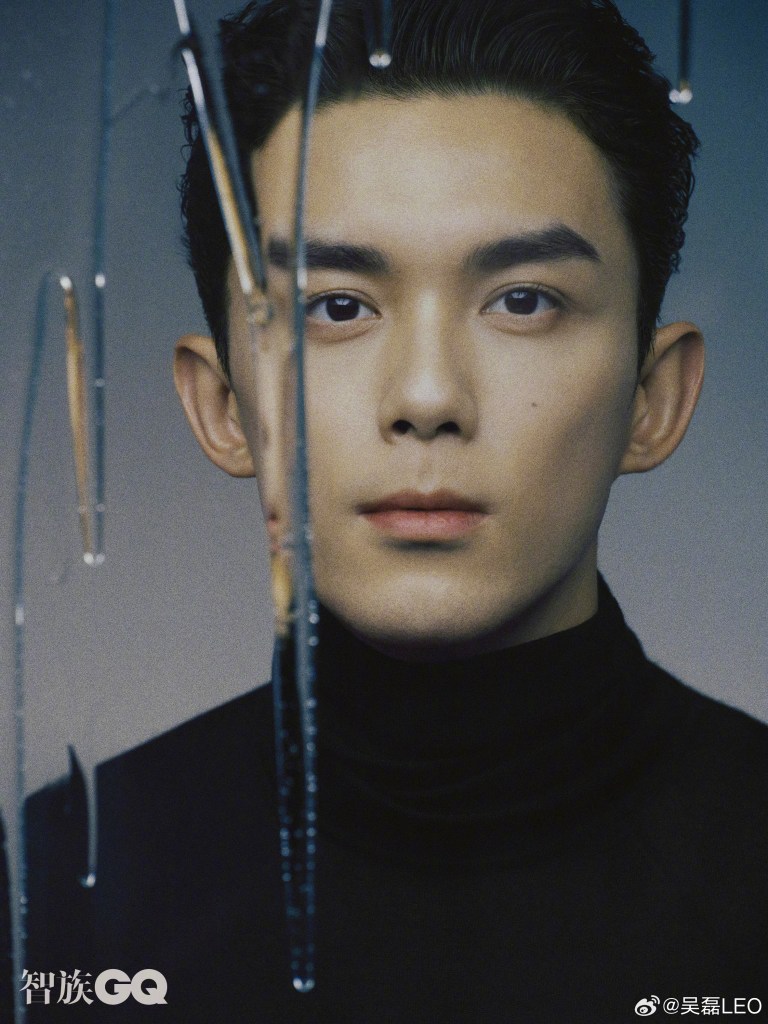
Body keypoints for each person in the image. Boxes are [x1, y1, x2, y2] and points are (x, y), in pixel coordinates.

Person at [24, 0, 768, 1020]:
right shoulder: (66, 883)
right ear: (222, 405)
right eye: (336, 306)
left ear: (655, 397)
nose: (426, 396)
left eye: (523, 300)